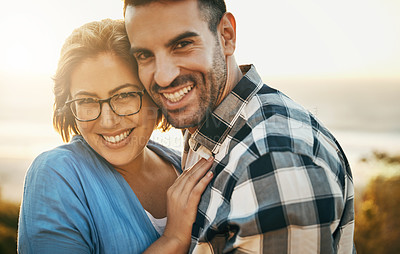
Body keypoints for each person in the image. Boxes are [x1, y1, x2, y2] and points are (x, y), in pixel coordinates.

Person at [124, 0, 355, 253]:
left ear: (226, 36)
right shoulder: (210, 126)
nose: (163, 77)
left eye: (182, 45)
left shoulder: (273, 165)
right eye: (144, 55)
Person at [18, 19, 214, 254]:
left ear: (154, 92)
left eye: (124, 96)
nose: (108, 121)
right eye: (87, 101)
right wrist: (173, 239)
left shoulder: (184, 164)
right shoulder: (57, 173)